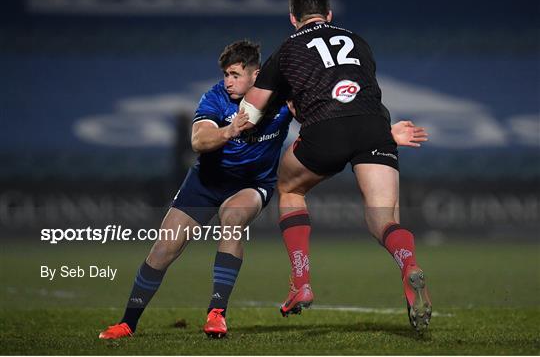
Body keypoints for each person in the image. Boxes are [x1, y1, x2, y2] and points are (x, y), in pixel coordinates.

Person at [98, 40, 428, 340]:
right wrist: (231, 129)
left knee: (233, 218)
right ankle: (128, 323)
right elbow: (198, 140)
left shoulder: (282, 99)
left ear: (257, 73)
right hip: (206, 182)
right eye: (225, 75)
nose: (228, 81)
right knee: (163, 249)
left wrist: (384, 133)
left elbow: (333, 116)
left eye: (235, 74)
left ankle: (216, 314)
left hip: (253, 184)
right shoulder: (215, 98)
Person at [240, 0, 432, 332]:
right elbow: (359, 98)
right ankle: (409, 265)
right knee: (383, 219)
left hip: (323, 131)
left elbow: (249, 112)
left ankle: (301, 283)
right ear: (328, 15)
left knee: (289, 188)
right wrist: (387, 133)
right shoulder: (358, 41)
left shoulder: (286, 50)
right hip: (374, 128)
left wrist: (240, 130)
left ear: (293, 19)